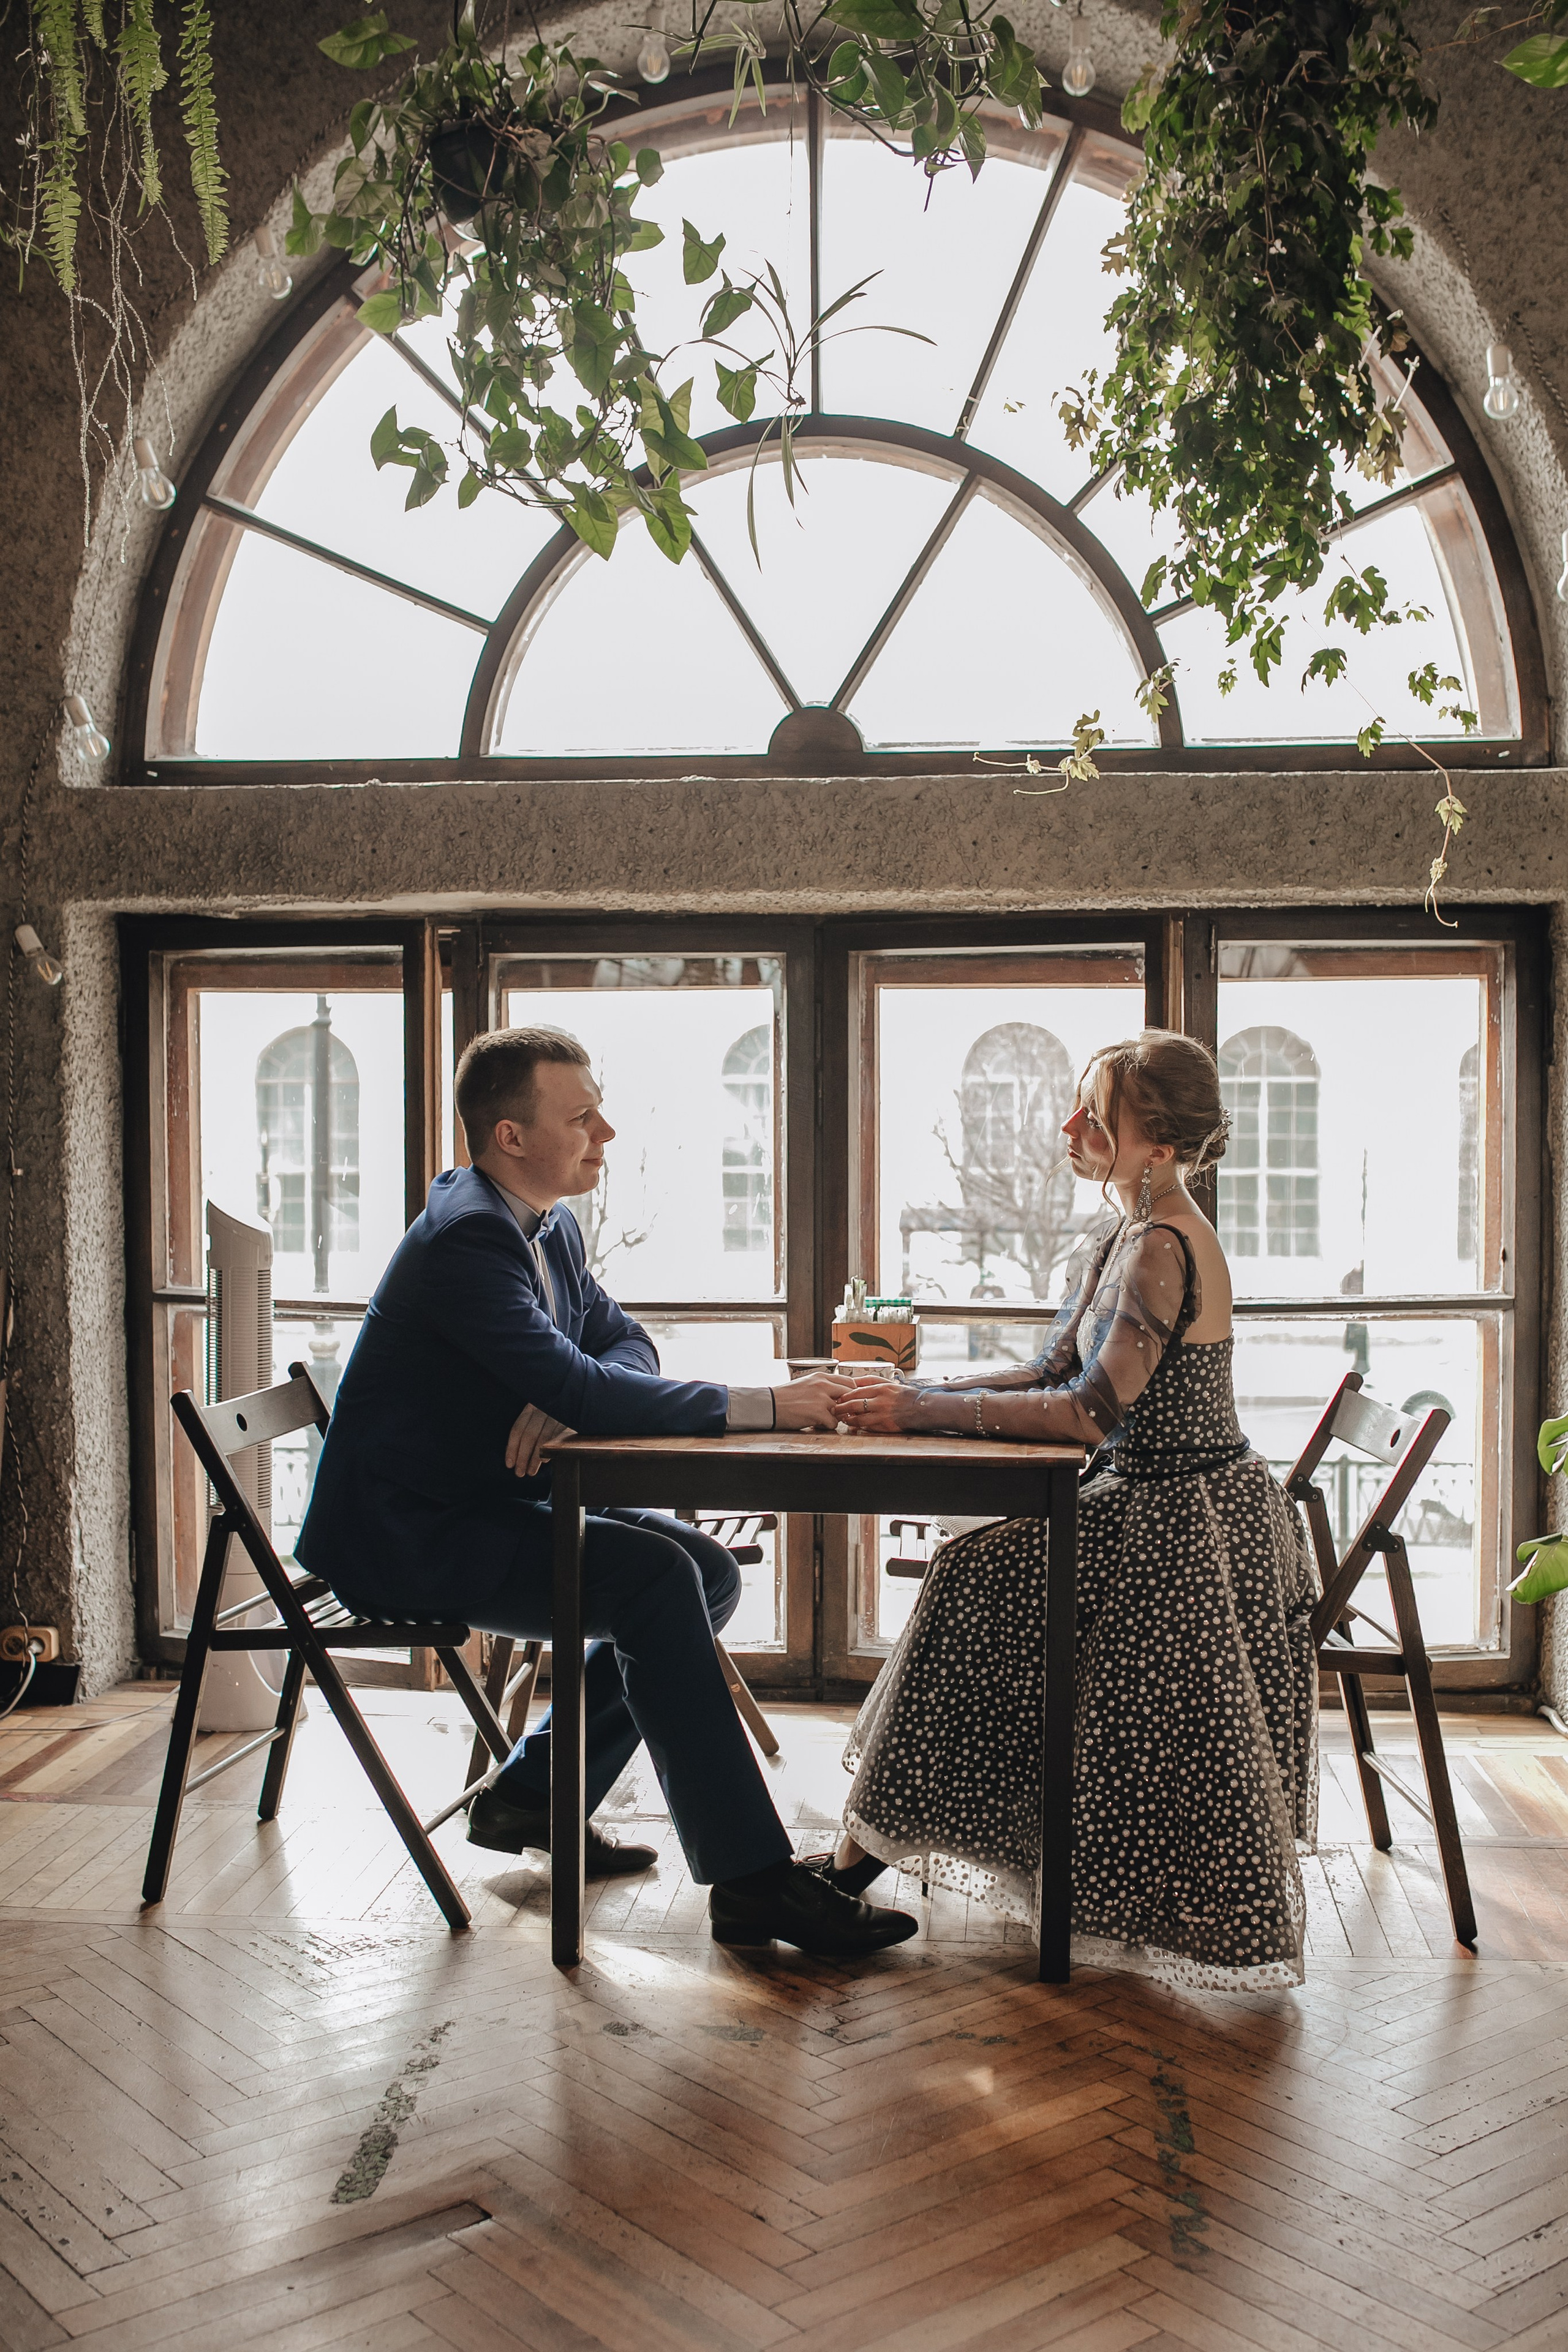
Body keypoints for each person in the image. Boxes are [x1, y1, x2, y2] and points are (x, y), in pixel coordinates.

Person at [297, 1025, 918, 1959]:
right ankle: (752, 1881)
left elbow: (625, 1344)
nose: (607, 1133)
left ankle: (533, 1794)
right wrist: (765, 1404)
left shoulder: (545, 1223)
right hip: (410, 1537)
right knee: (654, 1581)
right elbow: (588, 1378)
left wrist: (566, 1392)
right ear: (511, 1137)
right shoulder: (470, 1238)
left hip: (483, 1503)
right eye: (582, 1116)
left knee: (707, 1571)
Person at [828, 1030, 1319, 1991]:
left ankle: (860, 1858)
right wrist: (915, 1392)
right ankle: (871, 1850)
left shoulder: (1164, 1245)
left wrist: (919, 1410)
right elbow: (1053, 1368)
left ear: (1159, 1146)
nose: (1068, 1128)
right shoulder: (1130, 1231)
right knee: (976, 1574)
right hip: (1147, 1499)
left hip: (1183, 1525)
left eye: (1094, 1116)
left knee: (971, 1578)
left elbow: (1089, 1413)